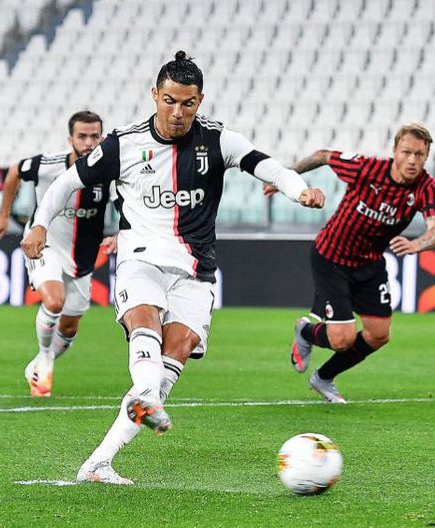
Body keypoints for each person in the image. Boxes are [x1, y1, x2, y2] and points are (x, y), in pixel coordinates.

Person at [21, 51, 325, 484]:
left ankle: (99, 462)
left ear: (200, 101)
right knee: (144, 324)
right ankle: (142, 398)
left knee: (172, 359)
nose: (178, 112)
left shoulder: (218, 140)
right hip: (141, 258)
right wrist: (39, 224)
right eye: (169, 101)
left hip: (196, 270)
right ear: (154, 95)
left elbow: (269, 167)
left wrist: (300, 191)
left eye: (187, 103)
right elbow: (68, 182)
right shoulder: (124, 144)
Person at [269, 123, 435, 404]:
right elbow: (324, 155)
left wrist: (417, 244)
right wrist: (286, 177)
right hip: (332, 257)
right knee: (342, 339)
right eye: (407, 152)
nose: (413, 160)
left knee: (379, 335)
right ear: (395, 151)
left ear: (426, 157)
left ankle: (323, 377)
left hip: (370, 265)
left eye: (420, 155)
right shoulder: (367, 168)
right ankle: (305, 331)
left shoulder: (425, 186)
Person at [0, 111, 114, 398]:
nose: (89, 142)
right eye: (82, 136)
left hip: (82, 257)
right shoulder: (47, 165)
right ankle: (45, 358)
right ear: (70, 139)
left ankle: (39, 361)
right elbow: (15, 171)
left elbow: (125, 201)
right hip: (44, 246)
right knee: (54, 301)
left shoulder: (109, 172)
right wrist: (4, 213)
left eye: (94, 136)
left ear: (102, 138)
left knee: (69, 328)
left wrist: (121, 232)